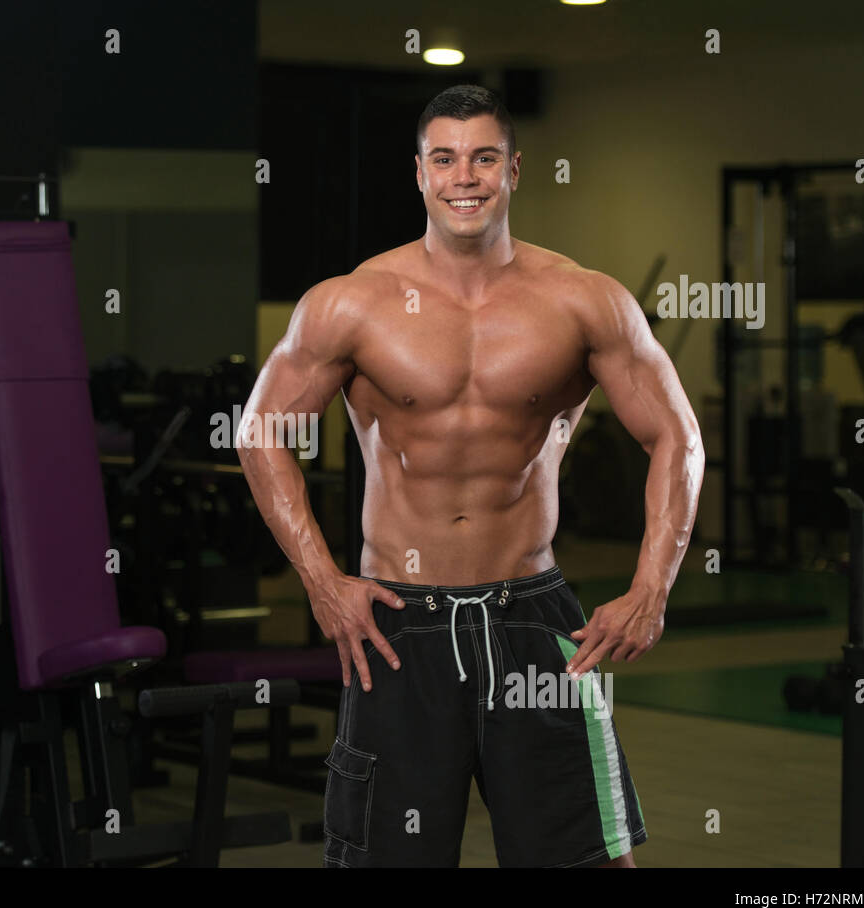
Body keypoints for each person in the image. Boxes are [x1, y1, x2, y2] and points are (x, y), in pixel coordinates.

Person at [237, 85, 703, 867]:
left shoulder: (586, 301)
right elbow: (261, 432)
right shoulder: (351, 303)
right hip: (399, 627)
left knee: (591, 859)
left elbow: (678, 437)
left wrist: (652, 587)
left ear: (514, 170)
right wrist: (322, 580)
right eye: (445, 159)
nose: (465, 176)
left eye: (484, 157)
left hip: (534, 618)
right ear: (418, 174)